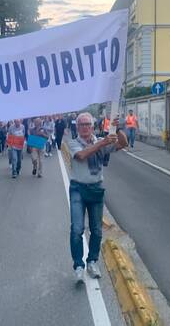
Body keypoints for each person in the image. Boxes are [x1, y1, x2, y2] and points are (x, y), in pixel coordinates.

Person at [68, 113, 128, 283]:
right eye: (81, 125)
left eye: (88, 124)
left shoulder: (103, 140)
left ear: (93, 127)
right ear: (77, 127)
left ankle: (92, 262)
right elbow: (81, 156)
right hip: (78, 189)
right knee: (77, 229)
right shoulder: (73, 143)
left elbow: (123, 143)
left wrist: (119, 127)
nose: (85, 127)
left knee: (96, 229)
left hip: (96, 189)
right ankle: (78, 266)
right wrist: (103, 142)